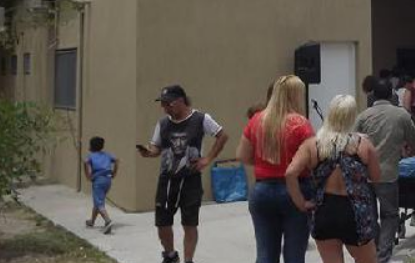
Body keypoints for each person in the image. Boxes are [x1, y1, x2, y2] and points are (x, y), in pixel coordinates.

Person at [138, 85, 229, 263]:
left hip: (190, 180)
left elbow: (222, 135)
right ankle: (171, 255)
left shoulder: (201, 118)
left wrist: (208, 158)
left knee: (189, 223)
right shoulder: (163, 123)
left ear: (180, 101)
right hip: (167, 180)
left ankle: (188, 260)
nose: (164, 108)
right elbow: (156, 148)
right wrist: (149, 152)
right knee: (162, 222)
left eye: (167, 104)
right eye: (163, 104)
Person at [287, 96, 380, 263]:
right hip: (355, 211)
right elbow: (377, 177)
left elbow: (290, 173)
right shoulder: (363, 144)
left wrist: (300, 202)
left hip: (324, 210)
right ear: (352, 116)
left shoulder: (312, 145)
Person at [237, 75, 314, 263]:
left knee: (265, 253)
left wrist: (266, 164)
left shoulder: (256, 120)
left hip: (262, 190)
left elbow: (243, 155)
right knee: (294, 254)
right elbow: (312, 161)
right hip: (295, 190)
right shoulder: (301, 124)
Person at [354, 79, 415, 263]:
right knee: (390, 215)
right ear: (392, 94)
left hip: (366, 174)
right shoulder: (401, 115)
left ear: (373, 95)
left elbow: (352, 145)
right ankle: (383, 255)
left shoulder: (363, 116)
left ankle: (374, 250)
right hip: (388, 174)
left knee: (370, 215)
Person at [84, 136, 117, 234]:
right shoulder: (107, 155)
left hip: (98, 180)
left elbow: (87, 166)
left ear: (91, 146)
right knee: (98, 201)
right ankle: (92, 221)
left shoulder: (90, 156)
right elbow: (117, 160)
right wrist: (114, 173)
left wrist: (88, 176)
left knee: (99, 202)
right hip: (108, 179)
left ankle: (108, 221)